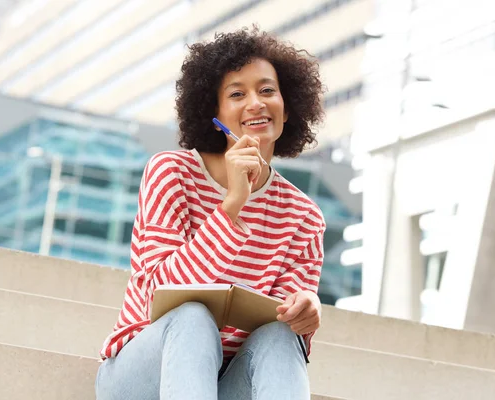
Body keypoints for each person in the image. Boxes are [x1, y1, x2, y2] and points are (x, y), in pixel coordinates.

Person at [95, 27, 326, 400]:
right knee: (191, 317)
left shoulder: (304, 216)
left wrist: (304, 309)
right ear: (213, 113)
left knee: (284, 334)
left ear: (289, 106)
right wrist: (233, 203)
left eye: (267, 90)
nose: (256, 103)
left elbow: (279, 321)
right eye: (237, 94)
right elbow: (159, 292)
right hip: (144, 372)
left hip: (227, 383)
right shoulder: (170, 172)